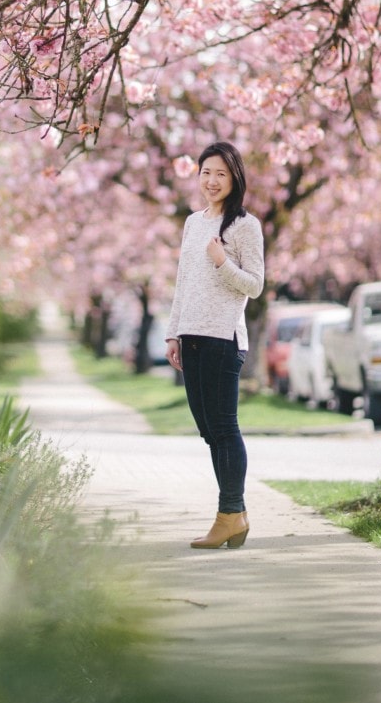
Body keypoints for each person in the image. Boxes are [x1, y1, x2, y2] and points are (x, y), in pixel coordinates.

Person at [165, 141, 264, 549]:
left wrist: (223, 261)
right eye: (206, 172)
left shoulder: (245, 225)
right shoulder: (192, 223)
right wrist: (174, 332)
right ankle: (234, 515)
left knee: (225, 428)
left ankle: (229, 514)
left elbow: (255, 286)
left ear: (234, 178)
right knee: (209, 431)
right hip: (191, 338)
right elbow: (183, 281)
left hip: (224, 338)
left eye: (221, 173)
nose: (212, 180)